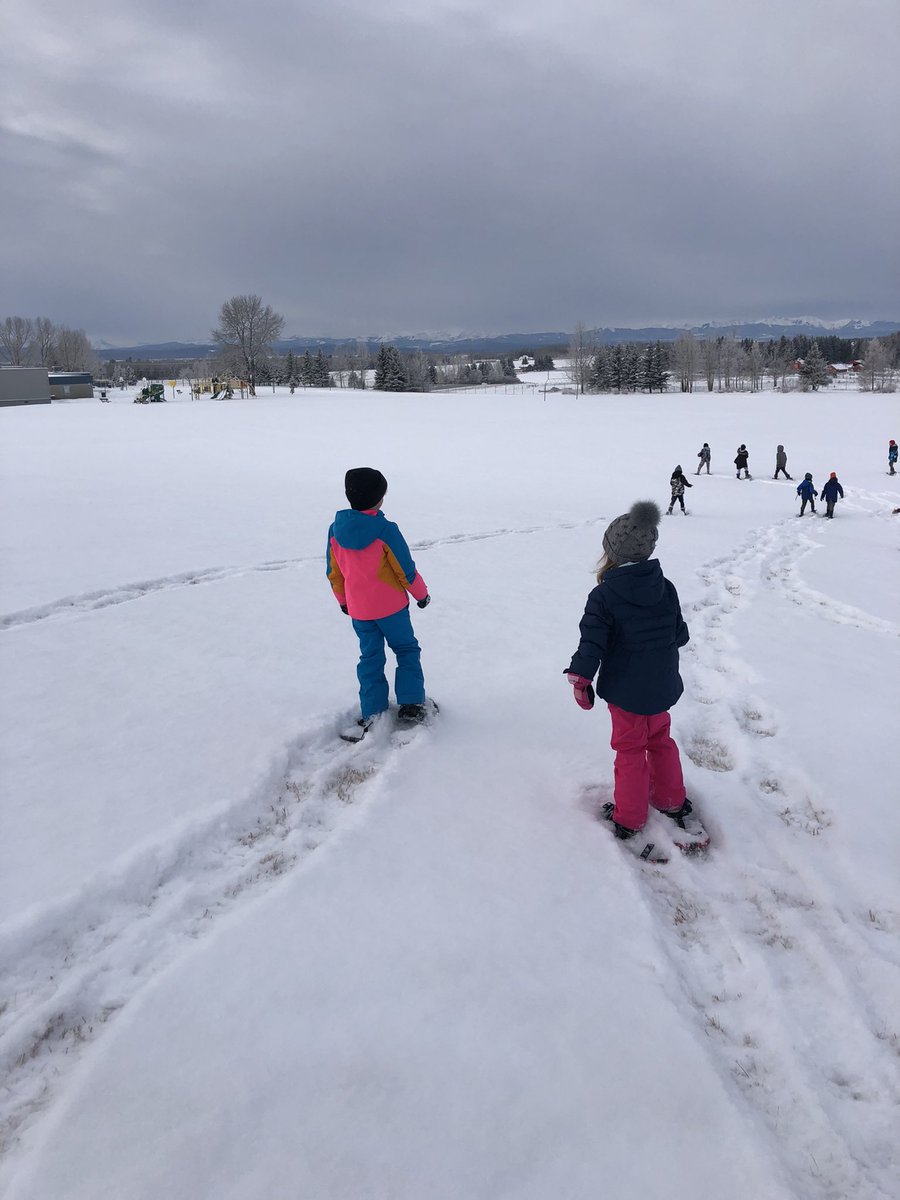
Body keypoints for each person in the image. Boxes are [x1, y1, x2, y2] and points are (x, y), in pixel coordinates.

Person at [564, 500, 696, 842]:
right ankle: (671, 800)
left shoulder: (604, 596)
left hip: (626, 692)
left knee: (631, 751)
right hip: (662, 685)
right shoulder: (665, 587)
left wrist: (580, 678)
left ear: (611, 553)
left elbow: (592, 643)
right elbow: (679, 634)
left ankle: (630, 817)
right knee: (661, 741)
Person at [327, 468, 432, 733]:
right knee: (406, 650)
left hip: (359, 610)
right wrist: (421, 594)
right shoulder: (385, 530)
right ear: (380, 498)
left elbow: (333, 571)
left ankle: (373, 709)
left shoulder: (335, 531)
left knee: (370, 656)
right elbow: (405, 569)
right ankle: (411, 705)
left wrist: (343, 600)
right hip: (392, 608)